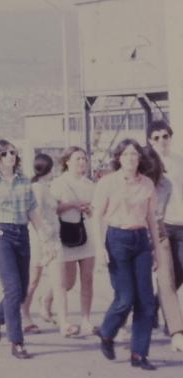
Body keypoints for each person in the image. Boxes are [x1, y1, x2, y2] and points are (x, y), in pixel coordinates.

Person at [0, 139, 58, 360]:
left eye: (13, 153)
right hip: (0, 235)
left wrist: (46, 243)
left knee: (21, 291)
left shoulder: (24, 183)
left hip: (21, 235)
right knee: (12, 289)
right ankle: (17, 341)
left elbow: (35, 216)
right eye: (4, 154)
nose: (10, 156)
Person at [93, 138, 160, 369]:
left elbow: (151, 218)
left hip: (140, 239)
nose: (131, 158)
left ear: (139, 158)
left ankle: (139, 354)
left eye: (134, 154)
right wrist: (100, 248)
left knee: (146, 301)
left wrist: (157, 252)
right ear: (118, 158)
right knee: (125, 298)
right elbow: (97, 217)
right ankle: (107, 333)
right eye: (126, 155)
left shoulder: (147, 184)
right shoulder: (108, 183)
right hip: (117, 238)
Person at [19, 153, 71, 336]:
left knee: (59, 282)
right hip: (40, 239)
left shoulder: (44, 187)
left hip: (54, 239)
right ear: (49, 169)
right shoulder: (37, 189)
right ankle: (24, 314)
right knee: (33, 280)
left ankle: (64, 323)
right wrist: (45, 238)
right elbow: (37, 215)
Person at [51, 146, 97, 336]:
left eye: (84, 159)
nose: (82, 162)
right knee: (65, 282)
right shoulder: (59, 183)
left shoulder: (91, 184)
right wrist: (73, 205)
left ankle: (86, 319)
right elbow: (52, 209)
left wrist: (89, 209)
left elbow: (97, 209)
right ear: (67, 162)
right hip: (65, 235)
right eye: (77, 159)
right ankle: (64, 321)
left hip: (87, 235)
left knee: (87, 279)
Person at [146, 120, 183, 352]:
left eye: (165, 136)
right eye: (156, 137)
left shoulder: (180, 161)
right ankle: (176, 331)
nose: (161, 141)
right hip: (161, 226)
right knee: (166, 278)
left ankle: (153, 306)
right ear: (150, 141)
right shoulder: (148, 164)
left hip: (181, 225)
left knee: (177, 274)